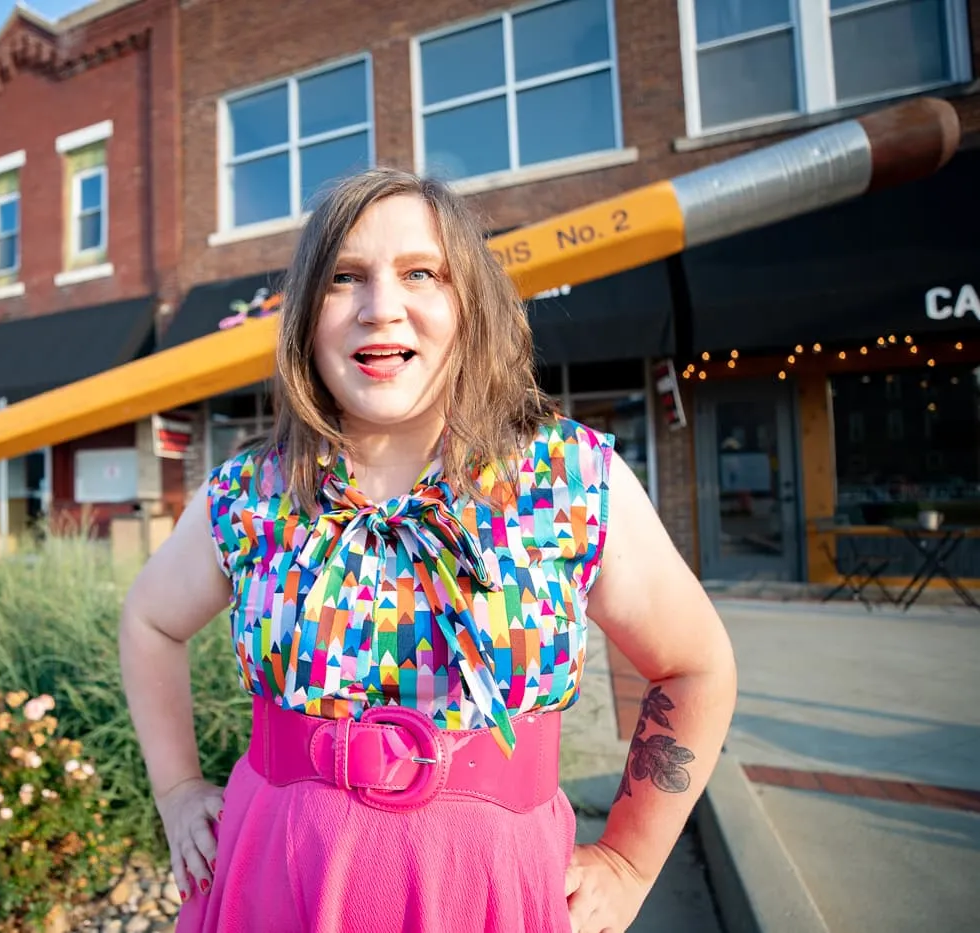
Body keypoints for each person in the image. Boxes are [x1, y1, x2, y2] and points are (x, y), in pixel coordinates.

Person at [118, 168, 737, 933]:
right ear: (308, 315)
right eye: (346, 277)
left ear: (469, 305)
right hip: (272, 881)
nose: (382, 308)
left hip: (489, 894)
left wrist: (629, 859)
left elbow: (695, 665)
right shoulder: (251, 493)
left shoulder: (570, 479)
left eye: (421, 273)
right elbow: (149, 620)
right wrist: (178, 787)